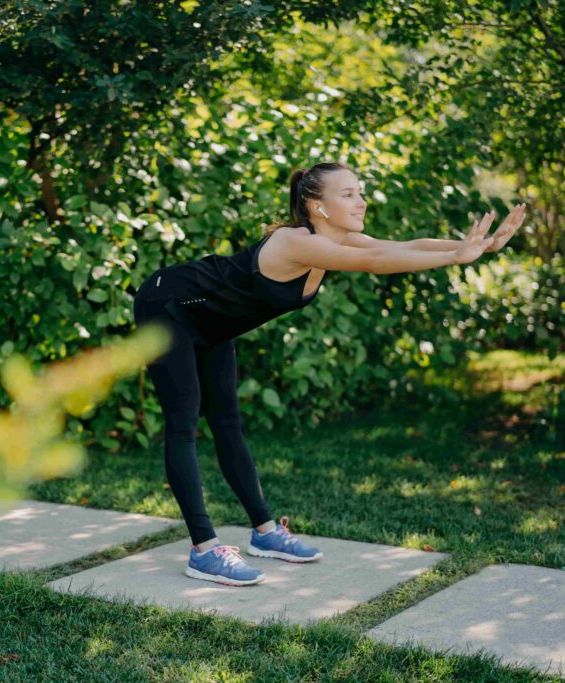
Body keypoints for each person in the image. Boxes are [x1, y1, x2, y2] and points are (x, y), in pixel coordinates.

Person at [132, 161, 527, 586]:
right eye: (349, 194)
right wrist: (455, 256)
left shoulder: (333, 239)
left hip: (212, 324)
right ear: (318, 207)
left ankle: (265, 533)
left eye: (360, 191)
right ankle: (204, 550)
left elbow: (404, 245)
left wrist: (477, 246)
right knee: (184, 424)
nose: (361, 201)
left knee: (228, 423)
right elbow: (376, 261)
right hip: (169, 305)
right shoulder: (294, 242)